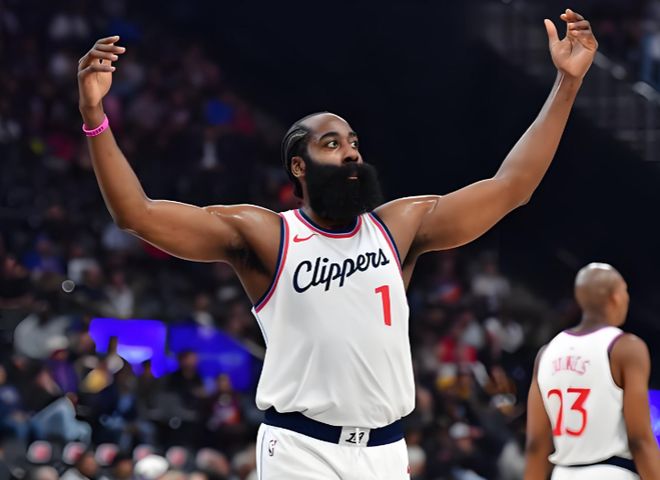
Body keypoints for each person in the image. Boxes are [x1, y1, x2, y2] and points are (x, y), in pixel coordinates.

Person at [77, 9, 597, 479]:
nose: (350, 153)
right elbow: (136, 214)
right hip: (303, 448)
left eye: (353, 143)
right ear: (299, 167)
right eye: (332, 144)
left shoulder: (400, 226)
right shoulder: (267, 234)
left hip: (387, 451)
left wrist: (567, 84)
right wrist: (95, 117)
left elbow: (511, 187)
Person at [524, 263, 660, 480]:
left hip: (562, 474)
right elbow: (640, 440)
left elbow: (535, 445)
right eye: (625, 291)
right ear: (616, 297)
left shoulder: (546, 353)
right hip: (612, 473)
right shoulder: (626, 347)